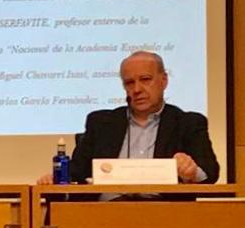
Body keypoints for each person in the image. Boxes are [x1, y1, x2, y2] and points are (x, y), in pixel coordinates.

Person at [52, 50, 218, 184]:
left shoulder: (188, 123)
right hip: (107, 209)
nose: (137, 89)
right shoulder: (101, 123)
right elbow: (75, 173)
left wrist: (192, 172)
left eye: (145, 79)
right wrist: (55, 179)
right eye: (130, 83)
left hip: (165, 209)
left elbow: (210, 174)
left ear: (164, 80)